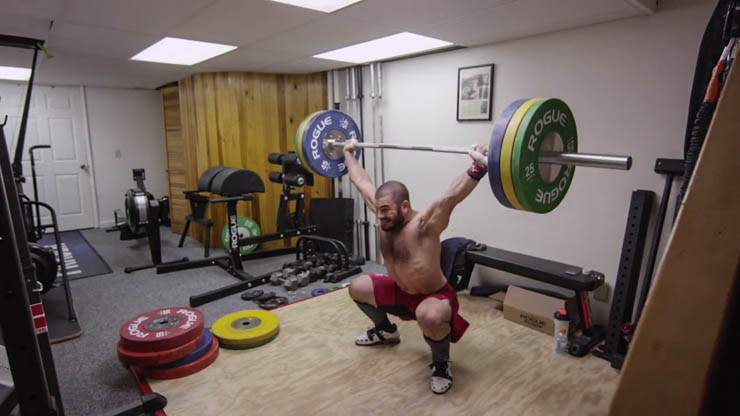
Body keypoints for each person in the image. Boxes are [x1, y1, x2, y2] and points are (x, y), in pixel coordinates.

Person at [342, 140, 489, 394]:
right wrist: (347, 153)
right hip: (401, 291)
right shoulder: (385, 217)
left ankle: (441, 364)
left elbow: (449, 198)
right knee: (357, 286)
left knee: (429, 316)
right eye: (378, 210)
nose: (380, 216)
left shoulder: (424, 225)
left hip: (434, 296)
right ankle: (386, 331)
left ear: (405, 207)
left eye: (386, 210)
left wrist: (477, 168)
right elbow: (361, 182)